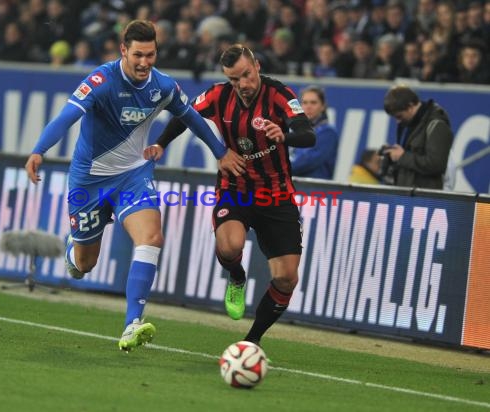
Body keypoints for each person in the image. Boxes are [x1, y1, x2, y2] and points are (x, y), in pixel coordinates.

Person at [24, 20, 245, 352]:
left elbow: (192, 118)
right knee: (84, 265)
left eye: (151, 54)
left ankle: (132, 323)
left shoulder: (163, 85)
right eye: (138, 55)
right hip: (90, 181)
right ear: (123, 50)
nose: (145, 62)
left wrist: (220, 152)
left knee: (152, 237)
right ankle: (74, 250)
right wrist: (39, 149)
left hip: (133, 176)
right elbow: (66, 117)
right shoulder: (100, 80)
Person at [144, 44, 315, 346]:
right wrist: (161, 143)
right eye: (235, 80)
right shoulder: (218, 95)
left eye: (246, 76)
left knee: (287, 277)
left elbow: (307, 133)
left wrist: (284, 135)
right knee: (229, 246)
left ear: (257, 66)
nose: (243, 85)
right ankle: (237, 276)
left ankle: (251, 342)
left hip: (276, 195)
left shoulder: (279, 95)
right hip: (235, 189)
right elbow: (184, 116)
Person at [382, 85, 453, 189]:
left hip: (424, 199)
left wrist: (403, 156)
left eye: (399, 116)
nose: (397, 121)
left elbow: (437, 165)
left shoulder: (437, 125)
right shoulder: (411, 123)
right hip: (409, 196)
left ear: (410, 106)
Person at [289, 86, 339, 179]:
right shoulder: (297, 131)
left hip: (315, 191)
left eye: (313, 103)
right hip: (295, 188)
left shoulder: (328, 132)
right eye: (305, 103)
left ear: (323, 106)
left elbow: (305, 162)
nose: (308, 107)